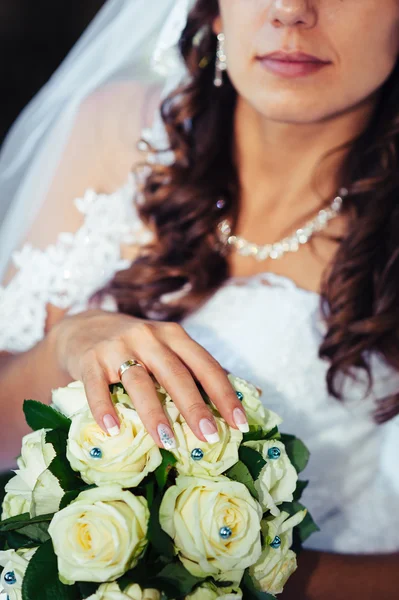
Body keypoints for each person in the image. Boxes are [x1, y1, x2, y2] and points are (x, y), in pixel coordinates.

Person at [0, 0, 399, 597]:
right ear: (214, 10)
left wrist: (222, 571)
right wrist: (69, 339)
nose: (291, 10)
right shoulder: (113, 133)